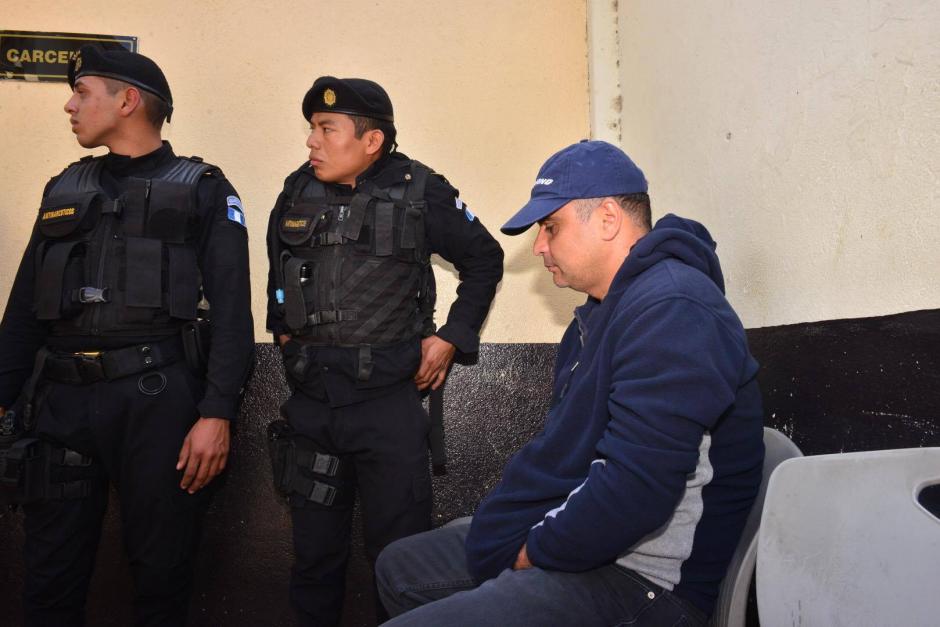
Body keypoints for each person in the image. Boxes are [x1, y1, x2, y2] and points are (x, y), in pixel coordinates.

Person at [374, 140, 765, 626]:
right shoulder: (595, 319)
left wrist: (532, 552)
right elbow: (570, 458)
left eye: (551, 226)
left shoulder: (674, 308)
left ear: (607, 219)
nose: (539, 246)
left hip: (647, 581)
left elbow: (637, 489)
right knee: (399, 566)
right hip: (593, 542)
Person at [0, 44, 254, 626]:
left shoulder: (205, 188)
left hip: (155, 402)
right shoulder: (63, 188)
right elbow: (22, 311)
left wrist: (217, 413)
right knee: (49, 576)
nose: (69, 106)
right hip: (61, 402)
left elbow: (233, 314)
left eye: (82, 93)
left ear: (128, 100)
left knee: (161, 575)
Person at [264, 76, 503, 626]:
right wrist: (284, 332)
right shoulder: (296, 191)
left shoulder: (420, 190)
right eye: (312, 128)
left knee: (399, 562)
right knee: (314, 561)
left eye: (327, 129)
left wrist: (452, 337)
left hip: (387, 410)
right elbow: (278, 274)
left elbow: (484, 259)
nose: (312, 141)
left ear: (371, 140)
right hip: (312, 408)